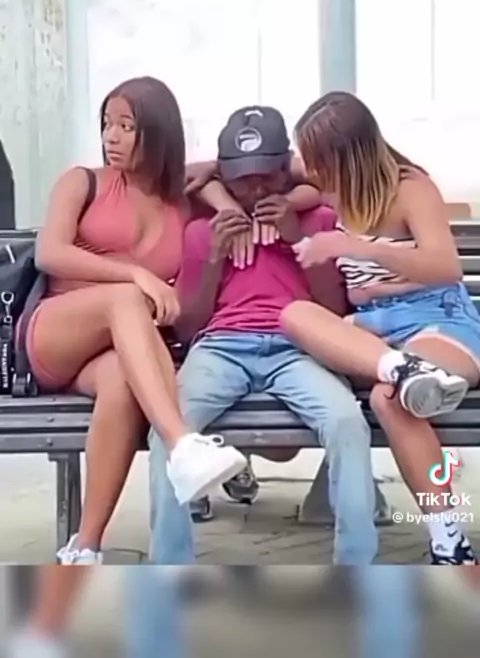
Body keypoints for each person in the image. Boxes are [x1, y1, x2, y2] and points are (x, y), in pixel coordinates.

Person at [21, 76, 249, 566]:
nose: (111, 136)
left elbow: (265, 170)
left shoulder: (182, 204)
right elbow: (49, 252)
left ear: (158, 133)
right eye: (107, 124)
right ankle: (181, 445)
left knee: (124, 385)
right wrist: (136, 273)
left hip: (118, 351)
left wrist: (222, 200)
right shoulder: (83, 182)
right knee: (126, 298)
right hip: (56, 334)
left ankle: (84, 547)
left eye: (127, 126)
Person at [149, 105, 378, 566]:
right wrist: (213, 258)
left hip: (298, 348)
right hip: (222, 346)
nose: (255, 191)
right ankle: (169, 567)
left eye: (267, 178)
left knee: (347, 423)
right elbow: (190, 328)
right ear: (225, 178)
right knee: (168, 430)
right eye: (242, 181)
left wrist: (297, 239)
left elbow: (333, 311)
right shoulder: (202, 231)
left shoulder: (317, 221)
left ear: (285, 170)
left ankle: (356, 567)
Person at [280, 91, 480, 565]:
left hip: (436, 319)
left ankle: (449, 542)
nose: (311, 170)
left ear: (348, 155)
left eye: (319, 160)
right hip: (374, 331)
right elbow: (270, 165)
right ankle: (400, 369)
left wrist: (356, 248)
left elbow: (445, 267)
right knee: (294, 315)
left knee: (388, 400)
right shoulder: (328, 182)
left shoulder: (410, 188)